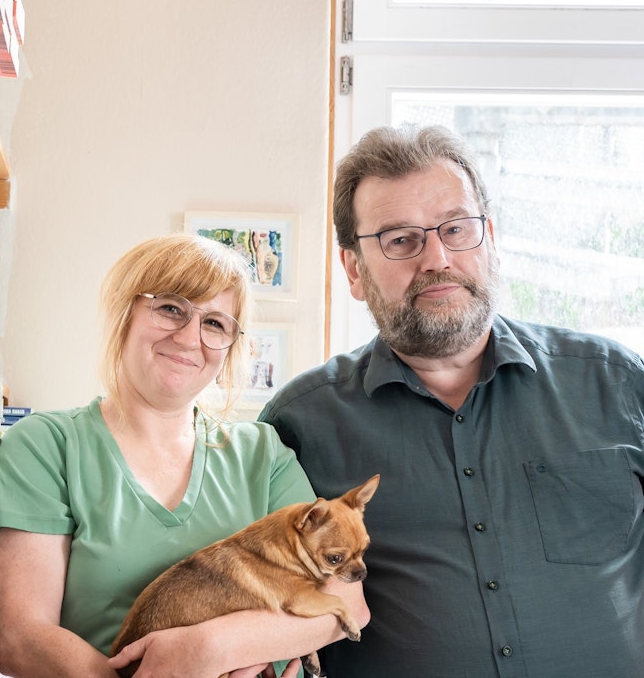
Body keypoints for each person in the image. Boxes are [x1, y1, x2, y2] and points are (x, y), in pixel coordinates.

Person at [260, 124, 644, 677]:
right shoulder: (299, 424)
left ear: (489, 237)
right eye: (399, 239)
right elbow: (261, 595)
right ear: (354, 271)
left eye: (456, 228)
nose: (437, 257)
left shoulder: (616, 383)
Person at [0, 233, 369, 678]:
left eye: (215, 324)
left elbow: (346, 607)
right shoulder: (45, 446)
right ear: (124, 313)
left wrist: (210, 647)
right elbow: (21, 638)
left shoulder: (263, 456)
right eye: (170, 308)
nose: (190, 338)